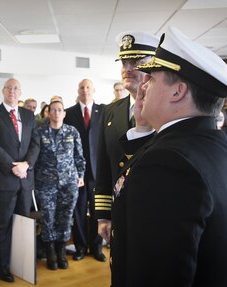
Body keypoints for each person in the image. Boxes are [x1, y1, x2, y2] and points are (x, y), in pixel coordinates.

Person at [112, 26, 227, 286]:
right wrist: (143, 127)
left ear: (178, 92)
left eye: (152, 78)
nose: (143, 85)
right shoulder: (218, 146)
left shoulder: (166, 165)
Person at [94, 31, 159, 258]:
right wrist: (104, 214)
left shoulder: (166, 110)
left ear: (154, 65)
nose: (127, 68)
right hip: (120, 212)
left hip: (155, 213)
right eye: (124, 61)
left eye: (136, 61)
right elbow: (103, 165)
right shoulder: (110, 110)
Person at [0, 78, 40, 283]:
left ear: (20, 91)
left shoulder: (28, 114)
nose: (13, 91)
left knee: (22, 225)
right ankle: (3, 266)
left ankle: (20, 264)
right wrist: (12, 166)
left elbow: (35, 143)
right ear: (3, 91)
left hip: (25, 181)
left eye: (16, 88)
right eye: (9, 88)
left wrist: (26, 165)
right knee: (3, 226)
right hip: (5, 181)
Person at [35, 100, 86, 270]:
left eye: (60, 110)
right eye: (53, 110)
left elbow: (79, 156)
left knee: (65, 218)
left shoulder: (72, 131)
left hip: (69, 183)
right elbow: (34, 158)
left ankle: (61, 252)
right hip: (46, 183)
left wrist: (81, 175)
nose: (56, 113)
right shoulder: (40, 132)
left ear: (64, 113)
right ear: (49, 113)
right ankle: (50, 253)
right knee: (48, 218)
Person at [63, 79, 105, 262]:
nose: (85, 90)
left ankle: (97, 247)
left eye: (88, 87)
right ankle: (80, 247)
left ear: (93, 90)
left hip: (98, 172)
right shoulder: (69, 113)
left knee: (98, 211)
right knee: (78, 212)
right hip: (77, 173)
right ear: (77, 90)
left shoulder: (103, 111)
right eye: (82, 87)